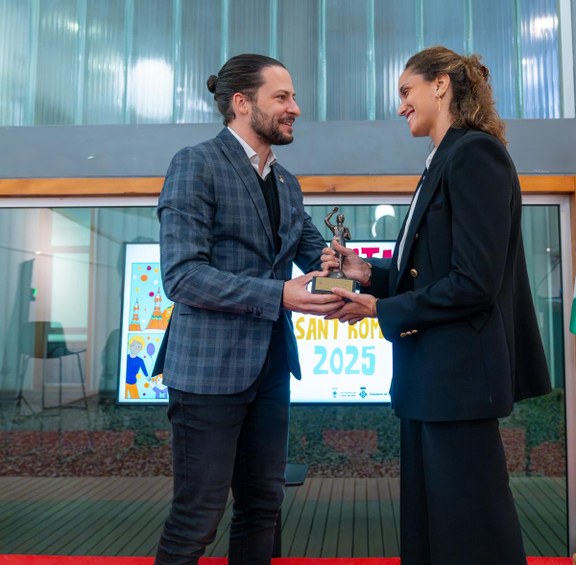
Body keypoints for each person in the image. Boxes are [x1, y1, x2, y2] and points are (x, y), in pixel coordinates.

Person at [323, 46, 552, 564]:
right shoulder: (443, 158)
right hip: (431, 385)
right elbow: (429, 271)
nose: (401, 105)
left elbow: (474, 281)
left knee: (473, 539)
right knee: (435, 537)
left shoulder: (475, 154)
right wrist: (366, 273)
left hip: (459, 385)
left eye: (407, 91)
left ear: (442, 84)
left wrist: (380, 310)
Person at [154, 54, 342, 564]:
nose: (295, 108)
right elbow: (182, 276)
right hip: (207, 374)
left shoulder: (287, 183)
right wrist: (279, 295)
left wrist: (351, 276)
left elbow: (317, 255)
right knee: (199, 513)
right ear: (241, 103)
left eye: (293, 97)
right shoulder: (196, 163)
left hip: (270, 368)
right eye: (282, 97)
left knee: (264, 505)